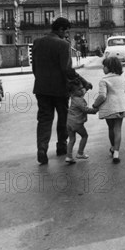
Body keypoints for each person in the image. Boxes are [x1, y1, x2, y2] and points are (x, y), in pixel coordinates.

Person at [32, 17, 92, 165]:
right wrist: (83, 82)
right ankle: (61, 146)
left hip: (41, 88)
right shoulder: (63, 44)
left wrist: (41, 80)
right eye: (66, 31)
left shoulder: (37, 42)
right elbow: (67, 69)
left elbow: (34, 67)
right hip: (60, 89)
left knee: (44, 119)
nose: (66, 35)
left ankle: (42, 148)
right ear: (60, 29)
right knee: (63, 117)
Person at [93, 57, 125, 164]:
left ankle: (112, 147)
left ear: (109, 68)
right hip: (121, 108)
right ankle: (116, 153)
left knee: (111, 128)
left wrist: (95, 105)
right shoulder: (122, 79)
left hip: (109, 108)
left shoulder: (104, 80)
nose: (103, 68)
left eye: (104, 66)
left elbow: (102, 96)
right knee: (118, 129)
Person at [65, 80, 98, 164]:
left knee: (71, 139)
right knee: (84, 136)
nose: (82, 90)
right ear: (74, 92)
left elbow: (82, 92)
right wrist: (95, 110)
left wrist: (86, 88)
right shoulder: (79, 100)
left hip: (69, 122)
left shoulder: (73, 97)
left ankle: (69, 156)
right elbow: (85, 109)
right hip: (77, 123)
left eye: (82, 88)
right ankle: (80, 153)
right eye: (80, 89)